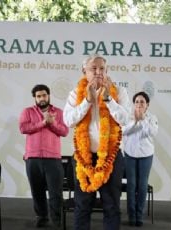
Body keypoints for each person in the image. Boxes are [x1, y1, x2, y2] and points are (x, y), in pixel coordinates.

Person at [63, 54, 130, 230]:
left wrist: (108, 100)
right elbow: (69, 121)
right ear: (84, 71)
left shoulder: (119, 92)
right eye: (94, 69)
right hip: (83, 159)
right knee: (82, 206)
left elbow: (125, 119)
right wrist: (87, 101)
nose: (98, 72)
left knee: (111, 206)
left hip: (111, 158)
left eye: (102, 69)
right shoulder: (75, 94)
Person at [19, 84, 69, 228]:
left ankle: (57, 219)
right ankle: (42, 216)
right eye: (39, 96)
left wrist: (52, 123)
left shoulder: (58, 112)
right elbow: (23, 128)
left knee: (56, 192)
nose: (42, 98)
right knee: (37, 190)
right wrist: (42, 123)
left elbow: (64, 131)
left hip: (53, 158)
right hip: (32, 158)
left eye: (44, 95)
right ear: (35, 98)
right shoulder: (27, 112)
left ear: (49, 96)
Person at [122, 91, 158, 227]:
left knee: (142, 186)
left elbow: (152, 132)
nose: (139, 104)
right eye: (136, 102)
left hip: (146, 155)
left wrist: (142, 120)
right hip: (130, 154)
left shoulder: (152, 118)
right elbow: (124, 131)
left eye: (142, 102)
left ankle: (139, 215)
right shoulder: (128, 116)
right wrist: (135, 122)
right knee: (131, 186)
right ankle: (131, 215)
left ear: (147, 105)